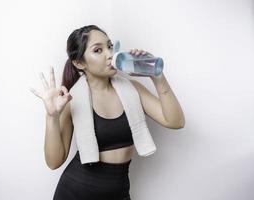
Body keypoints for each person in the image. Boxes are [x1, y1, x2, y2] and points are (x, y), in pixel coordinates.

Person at [29, 25, 185, 200]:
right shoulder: (70, 100)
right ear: (79, 63)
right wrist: (52, 116)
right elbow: (54, 162)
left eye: (110, 46)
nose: (110, 54)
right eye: (98, 50)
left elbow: (175, 122)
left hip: (119, 193)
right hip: (76, 192)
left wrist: (157, 75)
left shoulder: (132, 89)